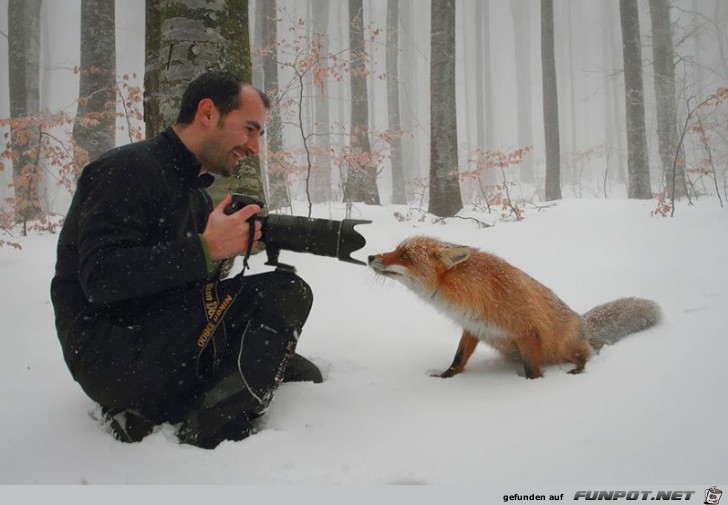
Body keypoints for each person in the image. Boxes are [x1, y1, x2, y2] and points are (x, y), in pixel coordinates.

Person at [51, 70, 322, 449]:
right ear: (208, 113)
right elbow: (101, 278)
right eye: (249, 129)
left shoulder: (195, 196)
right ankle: (212, 425)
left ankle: (201, 385)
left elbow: (180, 285)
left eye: (259, 134)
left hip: (156, 337)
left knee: (277, 334)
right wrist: (207, 249)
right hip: (111, 355)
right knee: (286, 292)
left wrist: (224, 251)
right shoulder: (124, 170)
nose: (254, 147)